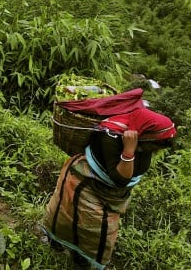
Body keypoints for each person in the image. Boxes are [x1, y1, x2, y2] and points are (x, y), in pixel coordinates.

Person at [41, 107, 177, 269]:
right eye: (155, 145)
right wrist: (128, 150)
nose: (155, 150)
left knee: (99, 230)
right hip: (84, 182)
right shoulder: (111, 137)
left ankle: (81, 254)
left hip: (112, 194)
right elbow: (120, 179)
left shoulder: (143, 140)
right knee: (66, 216)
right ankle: (55, 240)